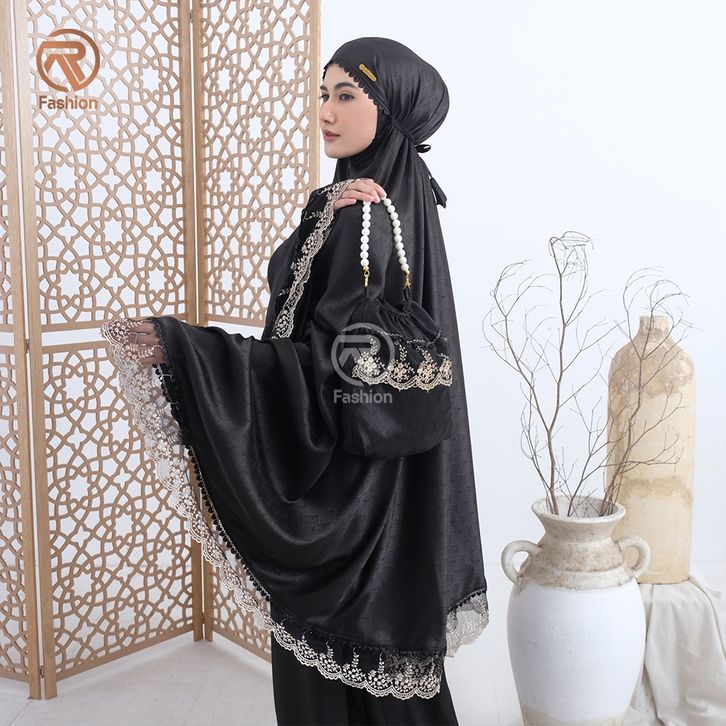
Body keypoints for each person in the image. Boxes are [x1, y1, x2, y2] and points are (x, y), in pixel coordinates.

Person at [101, 36, 488, 726]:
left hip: (351, 489)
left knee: (338, 661)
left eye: (347, 95)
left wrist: (188, 351)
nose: (325, 112)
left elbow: (334, 365)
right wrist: (319, 212)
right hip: (388, 483)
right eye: (322, 93)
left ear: (391, 110)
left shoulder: (368, 216)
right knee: (383, 670)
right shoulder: (381, 201)